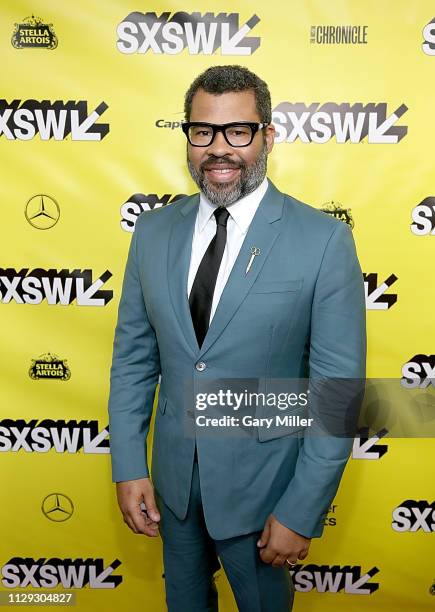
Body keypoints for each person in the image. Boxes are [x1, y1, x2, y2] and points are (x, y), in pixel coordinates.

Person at [108, 64, 366, 611]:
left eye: (238, 131)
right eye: (203, 132)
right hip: (173, 493)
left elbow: (336, 396)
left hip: (267, 497)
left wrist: (301, 509)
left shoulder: (323, 241)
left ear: (268, 136)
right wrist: (129, 464)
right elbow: (133, 361)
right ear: (188, 137)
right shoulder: (152, 233)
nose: (218, 149)